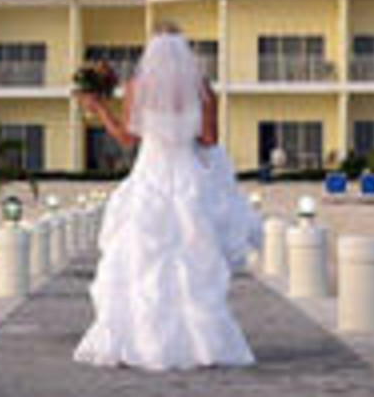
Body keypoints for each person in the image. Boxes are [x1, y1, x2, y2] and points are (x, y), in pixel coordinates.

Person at [73, 23, 260, 371]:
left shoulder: (137, 87)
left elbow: (127, 139)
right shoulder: (202, 88)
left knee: (140, 260)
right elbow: (209, 139)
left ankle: (140, 340)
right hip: (188, 178)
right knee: (193, 260)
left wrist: (99, 108)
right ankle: (204, 344)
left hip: (150, 176)